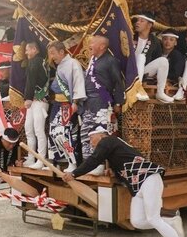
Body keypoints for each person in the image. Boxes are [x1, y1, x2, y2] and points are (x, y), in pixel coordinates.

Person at [63, 126, 187, 237]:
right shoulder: (114, 144)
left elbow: (94, 160)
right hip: (138, 186)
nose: (90, 142)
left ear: (100, 135)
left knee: (153, 218)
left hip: (148, 178)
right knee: (138, 222)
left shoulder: (107, 141)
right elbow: (123, 167)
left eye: (91, 138)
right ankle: (171, 221)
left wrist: (74, 174)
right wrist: (113, 172)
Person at [80, 35, 124, 161]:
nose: (89, 45)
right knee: (85, 133)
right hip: (88, 102)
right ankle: (87, 163)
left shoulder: (111, 61)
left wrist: (118, 102)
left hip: (102, 100)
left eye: (92, 43)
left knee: (99, 134)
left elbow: (118, 82)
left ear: (102, 46)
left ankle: (99, 164)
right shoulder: (93, 60)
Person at [47, 41, 86, 171]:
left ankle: (72, 162)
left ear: (62, 52)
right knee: (53, 131)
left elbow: (78, 83)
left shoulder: (73, 64)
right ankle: (56, 161)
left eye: (53, 53)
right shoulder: (60, 65)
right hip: (57, 103)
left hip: (67, 103)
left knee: (65, 133)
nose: (51, 56)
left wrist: (75, 102)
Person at [132, 12, 173, 103]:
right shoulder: (130, 36)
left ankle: (160, 92)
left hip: (144, 71)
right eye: (137, 20)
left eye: (142, 21)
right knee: (141, 57)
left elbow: (156, 59)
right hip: (128, 69)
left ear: (149, 25)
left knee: (163, 60)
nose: (137, 23)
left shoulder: (155, 41)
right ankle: (138, 89)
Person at [22, 41, 49, 169]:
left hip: (38, 100)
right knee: (29, 129)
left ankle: (41, 159)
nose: (26, 53)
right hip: (35, 100)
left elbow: (31, 81)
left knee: (38, 130)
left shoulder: (35, 61)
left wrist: (27, 97)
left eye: (27, 50)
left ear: (34, 49)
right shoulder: (41, 61)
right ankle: (31, 157)